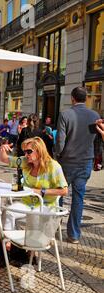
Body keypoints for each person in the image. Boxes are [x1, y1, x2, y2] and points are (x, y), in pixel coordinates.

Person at [55, 87, 100, 244]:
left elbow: (60, 141)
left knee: (59, 194)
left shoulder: (65, 114)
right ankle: (73, 235)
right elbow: (97, 141)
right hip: (85, 161)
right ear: (86, 98)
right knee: (78, 197)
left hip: (67, 162)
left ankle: (54, 226)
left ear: (72, 98)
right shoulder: (95, 115)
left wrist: (56, 156)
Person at [0, 137, 68, 231]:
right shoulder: (25, 161)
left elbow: (64, 191)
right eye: (25, 152)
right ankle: (8, 242)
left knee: (33, 220)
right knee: (7, 212)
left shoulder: (53, 166)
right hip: (27, 203)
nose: (26, 154)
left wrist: (41, 191)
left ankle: (34, 241)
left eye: (29, 151)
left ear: (39, 151)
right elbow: (4, 159)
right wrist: (3, 148)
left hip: (46, 205)